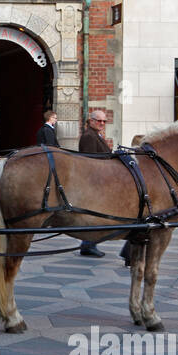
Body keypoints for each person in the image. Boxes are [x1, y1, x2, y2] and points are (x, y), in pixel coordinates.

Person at [77, 108, 111, 257]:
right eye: (99, 120)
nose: (102, 123)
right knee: (96, 216)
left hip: (101, 181)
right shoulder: (89, 136)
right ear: (91, 121)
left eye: (104, 121)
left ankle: (88, 244)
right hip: (95, 182)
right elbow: (89, 161)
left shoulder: (96, 135)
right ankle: (88, 244)